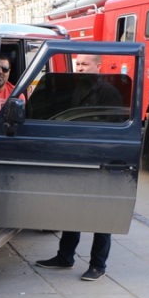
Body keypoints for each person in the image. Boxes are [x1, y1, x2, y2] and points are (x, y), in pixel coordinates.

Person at [36, 54, 121, 281]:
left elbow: (113, 129)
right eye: (78, 64)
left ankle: (98, 265)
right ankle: (65, 257)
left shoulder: (108, 92)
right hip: (78, 157)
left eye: (85, 64)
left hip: (100, 159)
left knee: (101, 215)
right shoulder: (78, 88)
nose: (80, 68)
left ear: (98, 66)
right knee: (72, 209)